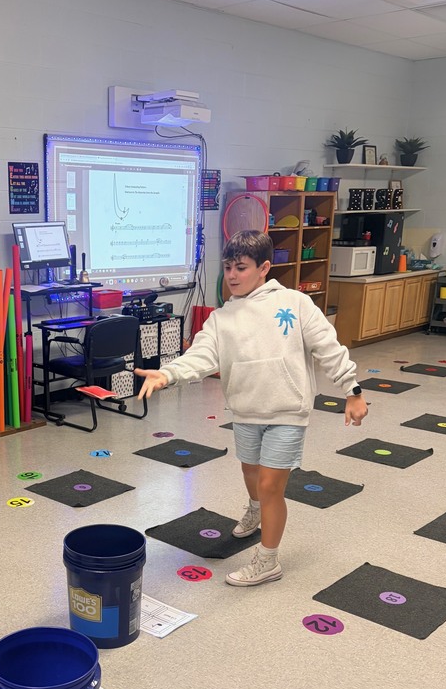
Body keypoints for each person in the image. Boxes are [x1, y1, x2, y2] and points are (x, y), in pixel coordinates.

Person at [135, 230, 368, 587]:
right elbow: (200, 357)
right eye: (227, 267)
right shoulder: (220, 319)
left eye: (240, 267)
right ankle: (255, 509)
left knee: (271, 485)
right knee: (251, 474)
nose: (231, 275)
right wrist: (168, 374)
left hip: (288, 412)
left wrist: (352, 390)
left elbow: (327, 346)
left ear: (264, 268)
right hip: (245, 412)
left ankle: (267, 561)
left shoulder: (294, 303)